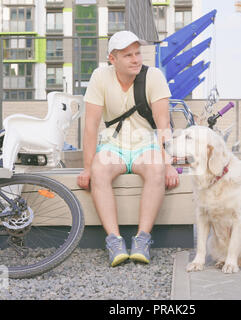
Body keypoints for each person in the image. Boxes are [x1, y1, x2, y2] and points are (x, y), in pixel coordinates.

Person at [77, 30, 179, 267]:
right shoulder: (100, 76)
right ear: (112, 59)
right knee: (99, 170)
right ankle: (114, 240)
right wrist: (87, 167)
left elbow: (164, 124)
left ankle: (142, 239)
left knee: (156, 168)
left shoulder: (153, 76)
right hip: (113, 145)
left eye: (138, 53)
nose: (136, 59)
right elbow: (90, 126)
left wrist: (169, 165)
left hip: (146, 144)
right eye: (128, 55)